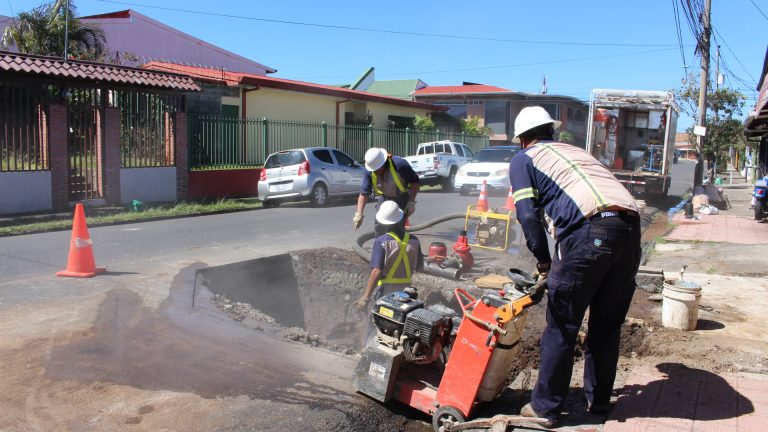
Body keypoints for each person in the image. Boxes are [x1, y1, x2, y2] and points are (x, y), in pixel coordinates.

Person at [509, 106, 641, 428]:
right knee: (606, 325)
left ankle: (545, 409)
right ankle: (598, 401)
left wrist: (544, 261)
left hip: (590, 232)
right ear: (551, 132)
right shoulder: (576, 153)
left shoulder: (524, 159)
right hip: (629, 229)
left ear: (522, 139)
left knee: (563, 323)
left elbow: (527, 215)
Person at [355, 200, 423, 312]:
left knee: (380, 320)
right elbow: (420, 267)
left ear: (383, 222)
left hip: (385, 292)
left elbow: (377, 270)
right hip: (406, 293)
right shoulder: (415, 241)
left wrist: (366, 297)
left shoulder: (381, 241)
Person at [354, 148, 420, 235]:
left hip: (402, 197)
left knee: (398, 224)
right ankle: (380, 241)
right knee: (379, 222)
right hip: (385, 197)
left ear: (384, 163)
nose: (375, 172)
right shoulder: (369, 171)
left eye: (377, 169)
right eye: (373, 170)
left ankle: (399, 240)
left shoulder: (400, 165)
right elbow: (364, 194)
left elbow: (415, 183)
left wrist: (411, 203)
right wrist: (359, 214)